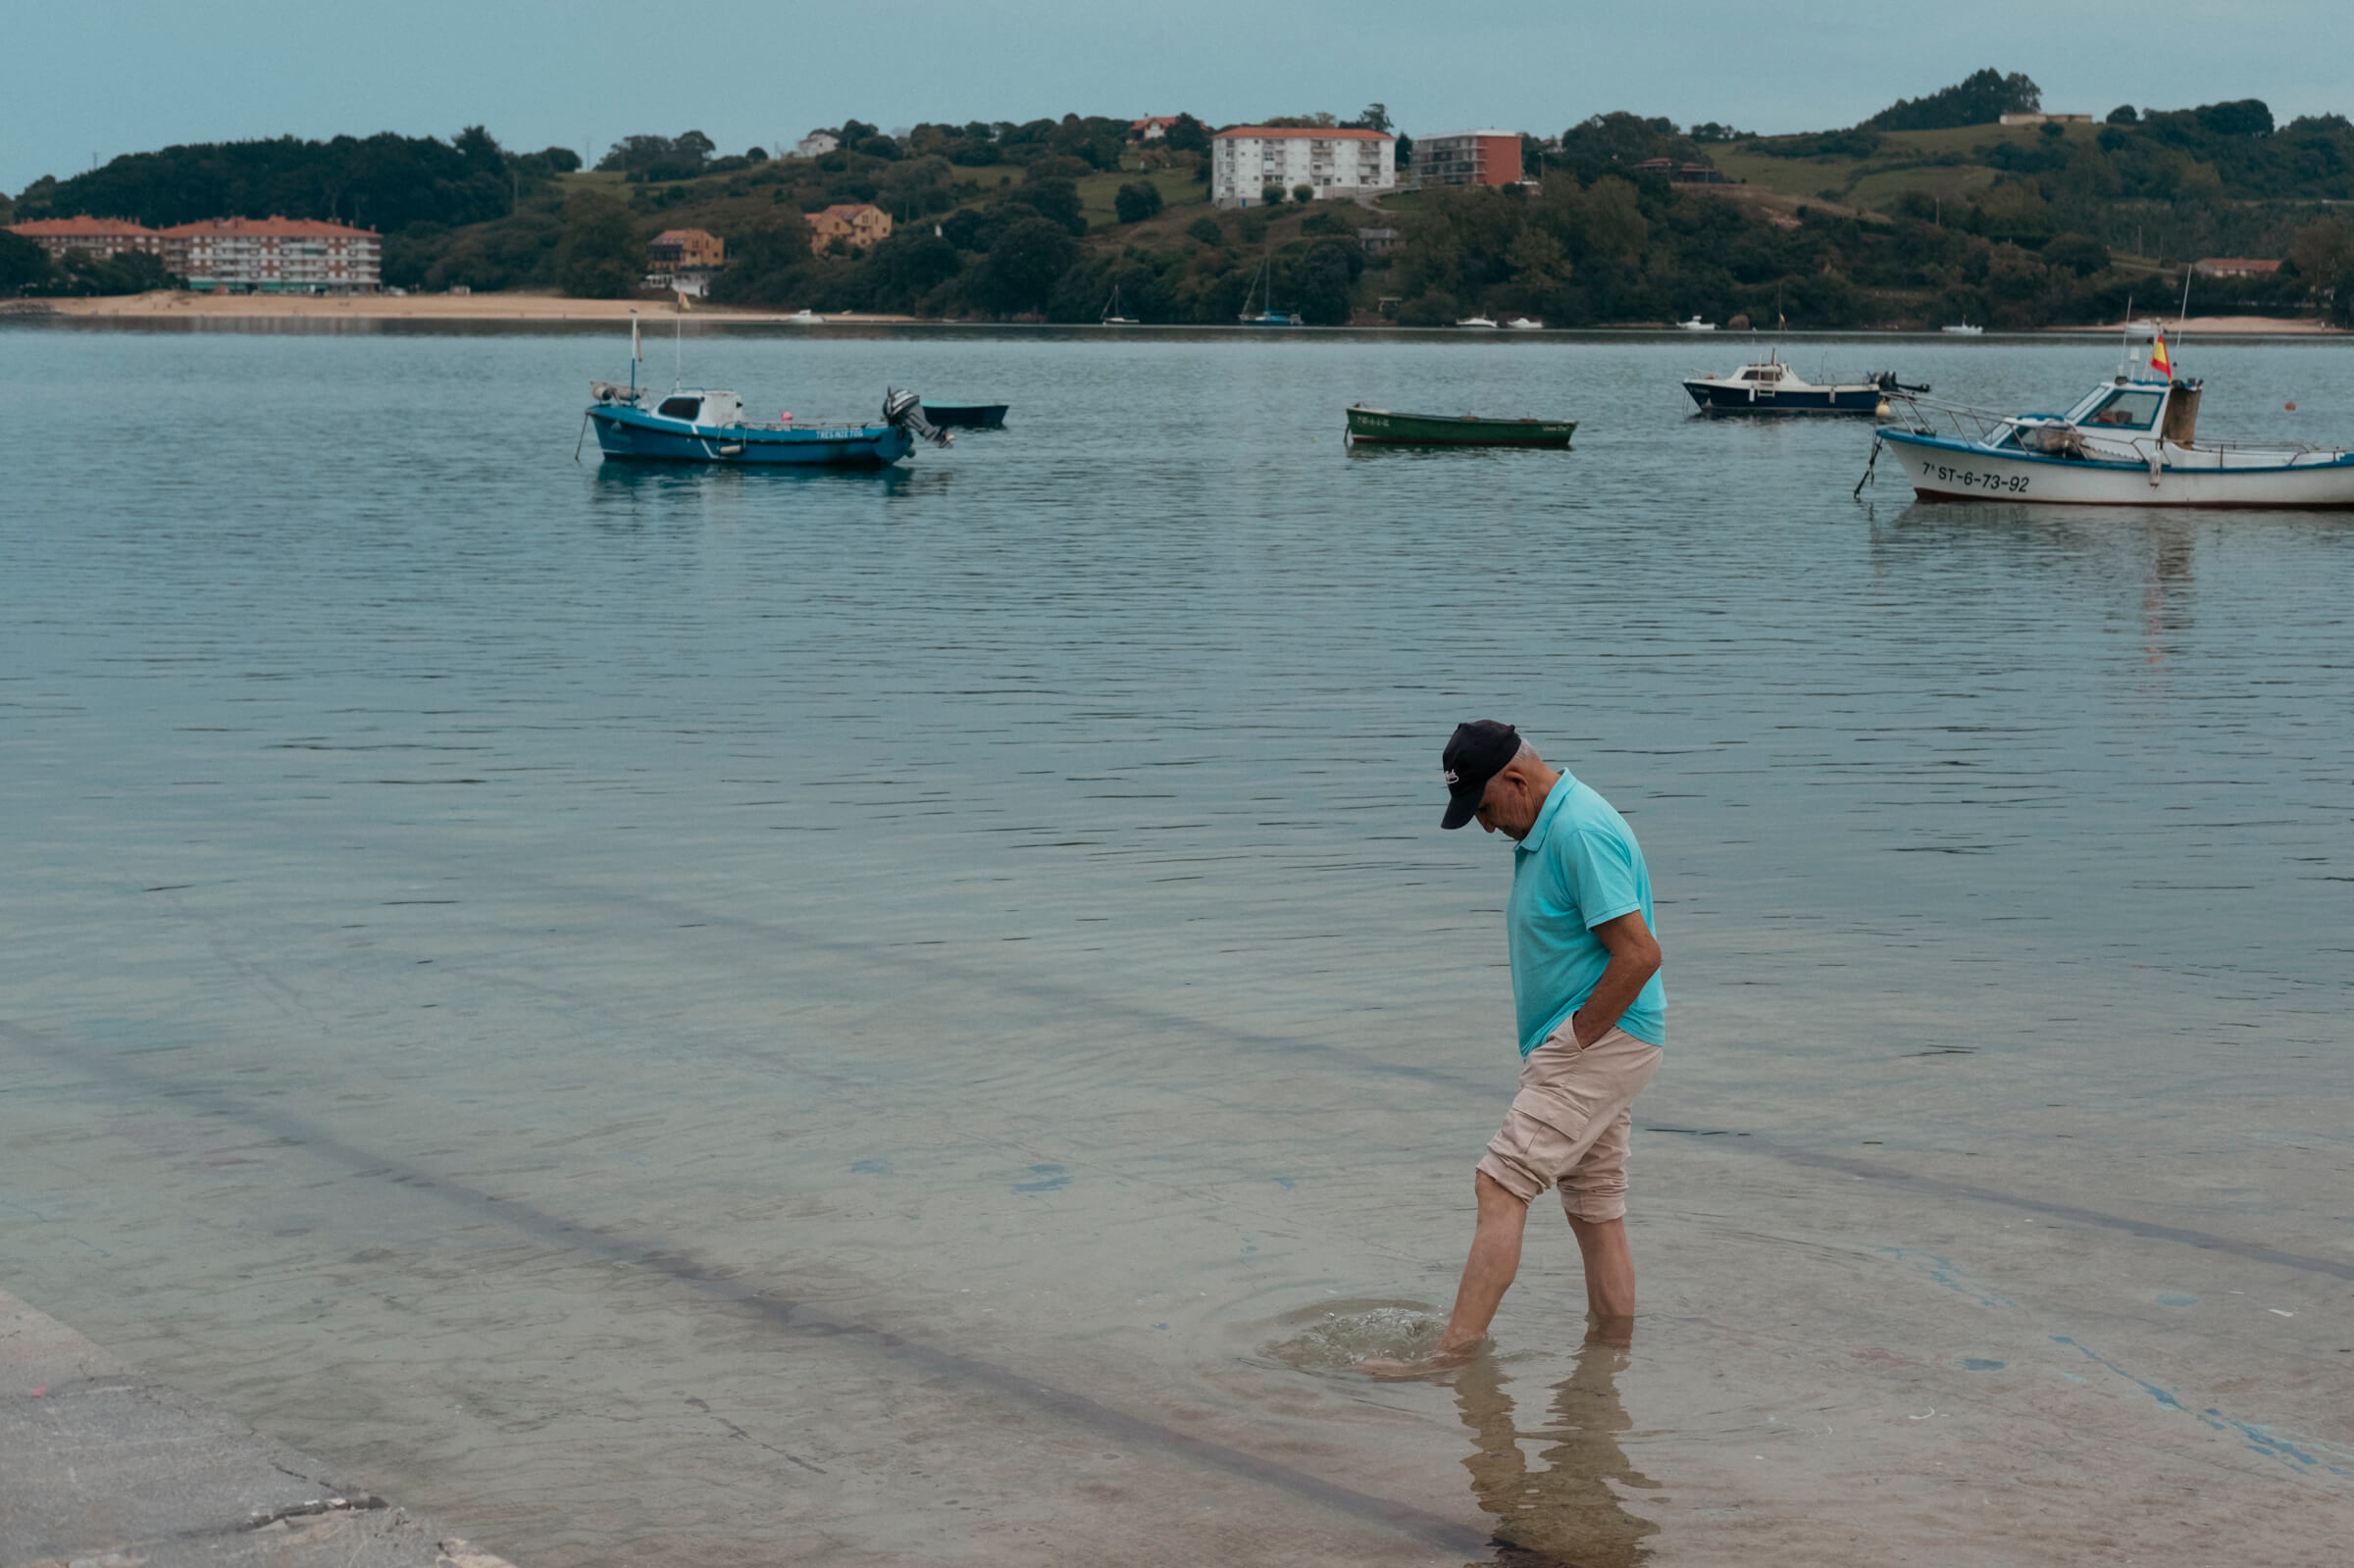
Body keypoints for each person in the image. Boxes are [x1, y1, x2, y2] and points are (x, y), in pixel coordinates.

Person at [1367, 721, 1665, 1374]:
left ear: (1517, 779)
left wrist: (1573, 1041)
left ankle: (1450, 1358)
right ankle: (1609, 1366)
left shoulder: (1578, 830)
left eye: (1483, 808)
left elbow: (1641, 954)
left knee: (1500, 1184)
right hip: (1606, 1042)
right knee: (1595, 1208)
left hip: (1598, 1043)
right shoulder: (1543, 827)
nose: (1485, 826)